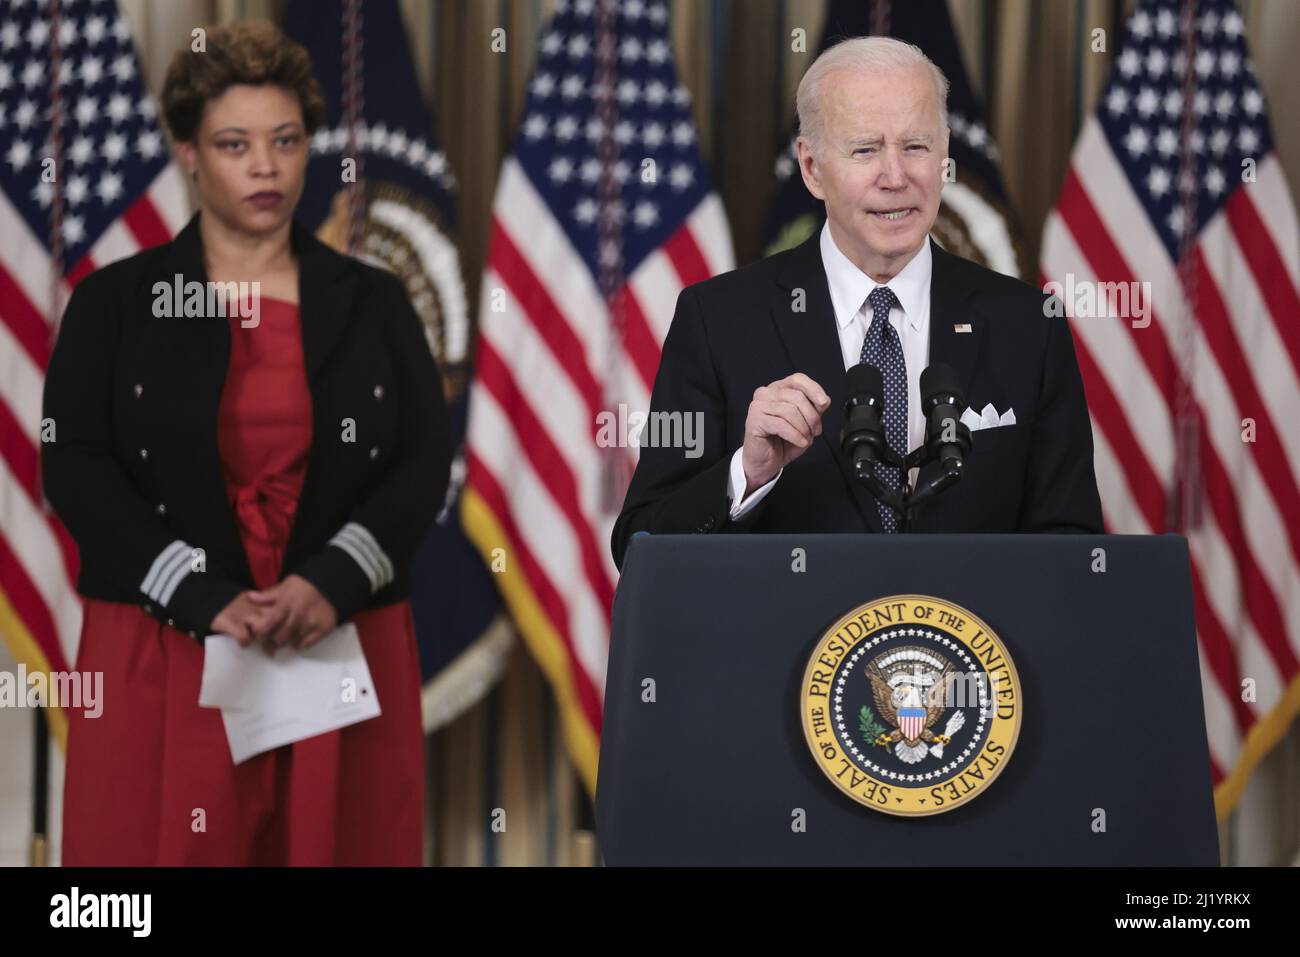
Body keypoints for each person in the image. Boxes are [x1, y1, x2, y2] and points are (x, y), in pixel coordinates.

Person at [42, 21, 451, 865]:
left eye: (286, 141)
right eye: (235, 144)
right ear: (189, 152)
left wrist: (331, 578)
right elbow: (73, 464)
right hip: (164, 638)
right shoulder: (113, 303)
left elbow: (422, 460)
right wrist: (199, 594)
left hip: (336, 630)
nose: (265, 167)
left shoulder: (375, 300)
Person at [611, 36, 1103, 569]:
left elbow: (1074, 553)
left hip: (970, 650)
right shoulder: (719, 320)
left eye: (916, 146)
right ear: (812, 167)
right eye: (865, 149)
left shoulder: (1030, 326)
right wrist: (747, 473)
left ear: (944, 156)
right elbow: (641, 547)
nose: (895, 177)